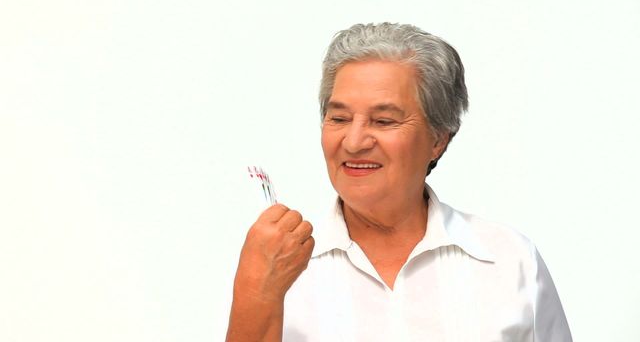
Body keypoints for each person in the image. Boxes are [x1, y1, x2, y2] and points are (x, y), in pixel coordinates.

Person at [226, 22, 572, 341]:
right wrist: (258, 293)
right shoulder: (273, 262)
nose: (353, 141)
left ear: (439, 138)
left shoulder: (510, 259)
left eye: (384, 120)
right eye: (339, 118)